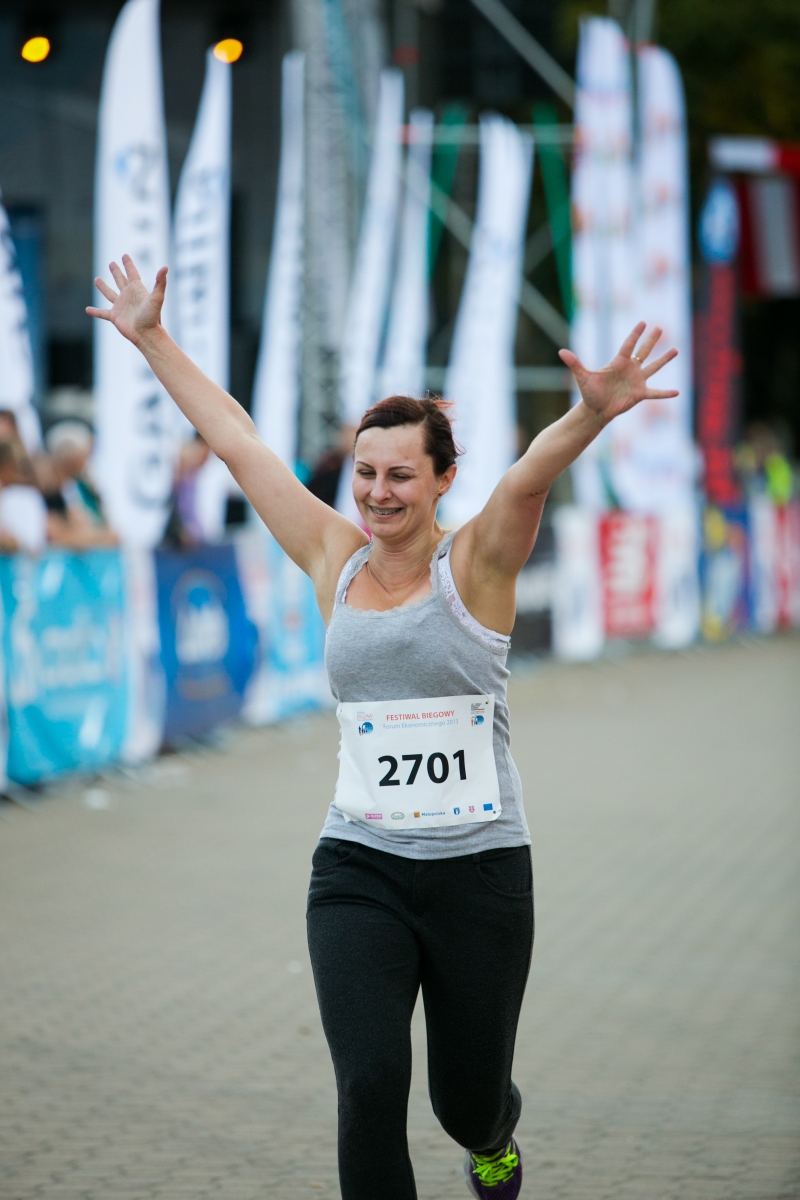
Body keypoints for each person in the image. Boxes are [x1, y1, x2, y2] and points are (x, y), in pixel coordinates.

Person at [88, 255, 678, 1200]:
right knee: (368, 1087)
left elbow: (528, 481)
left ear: (443, 480)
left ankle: (493, 1134)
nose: (377, 493)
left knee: (464, 1101)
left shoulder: (476, 564)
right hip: (359, 866)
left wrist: (591, 415)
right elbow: (239, 442)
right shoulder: (336, 557)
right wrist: (151, 338)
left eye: (402, 475)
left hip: (481, 871)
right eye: (365, 473)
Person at [37, 421, 119, 549]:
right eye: (86, 454)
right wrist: (97, 538)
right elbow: (55, 534)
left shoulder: (82, 488)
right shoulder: (46, 491)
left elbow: (110, 532)